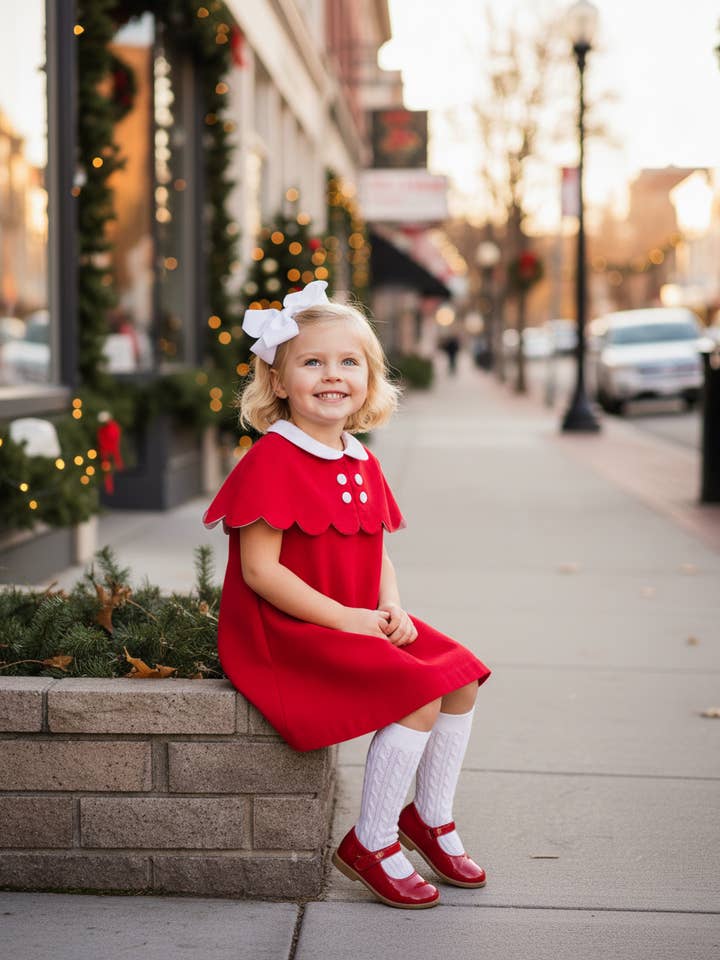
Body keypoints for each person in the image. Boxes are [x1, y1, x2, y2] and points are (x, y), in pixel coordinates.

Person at [203, 280, 492, 910]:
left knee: (461, 674)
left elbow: (375, 546)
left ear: (369, 377)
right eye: (312, 362)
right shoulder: (272, 459)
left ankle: (430, 818)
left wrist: (390, 608)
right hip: (288, 632)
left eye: (348, 362)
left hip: (356, 614)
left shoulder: (360, 458)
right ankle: (372, 840)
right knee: (416, 695)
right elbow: (261, 573)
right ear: (277, 381)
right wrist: (347, 620)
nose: (332, 376)